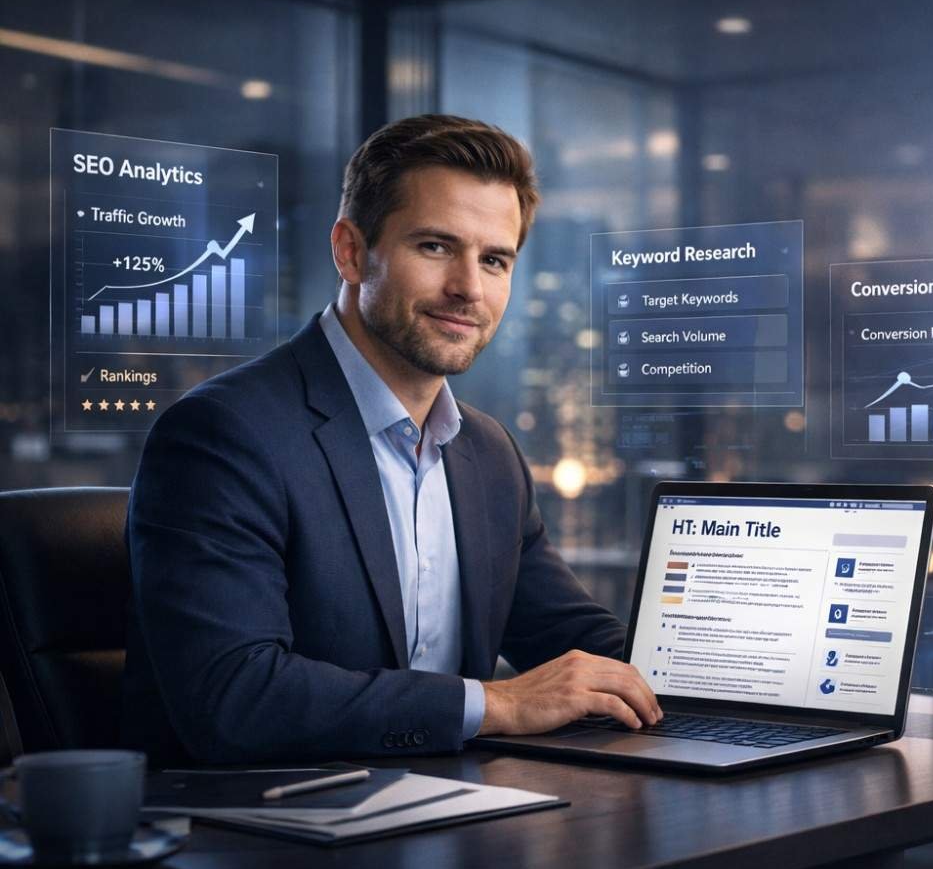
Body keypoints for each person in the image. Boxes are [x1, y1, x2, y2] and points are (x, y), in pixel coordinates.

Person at [122, 114, 661, 763]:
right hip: (265, 838)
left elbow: (576, 645)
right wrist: (501, 704)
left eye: (495, 260)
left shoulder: (488, 455)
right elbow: (234, 697)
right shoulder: (223, 437)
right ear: (351, 251)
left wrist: (773, 670)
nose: (469, 288)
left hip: (450, 821)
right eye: (435, 247)